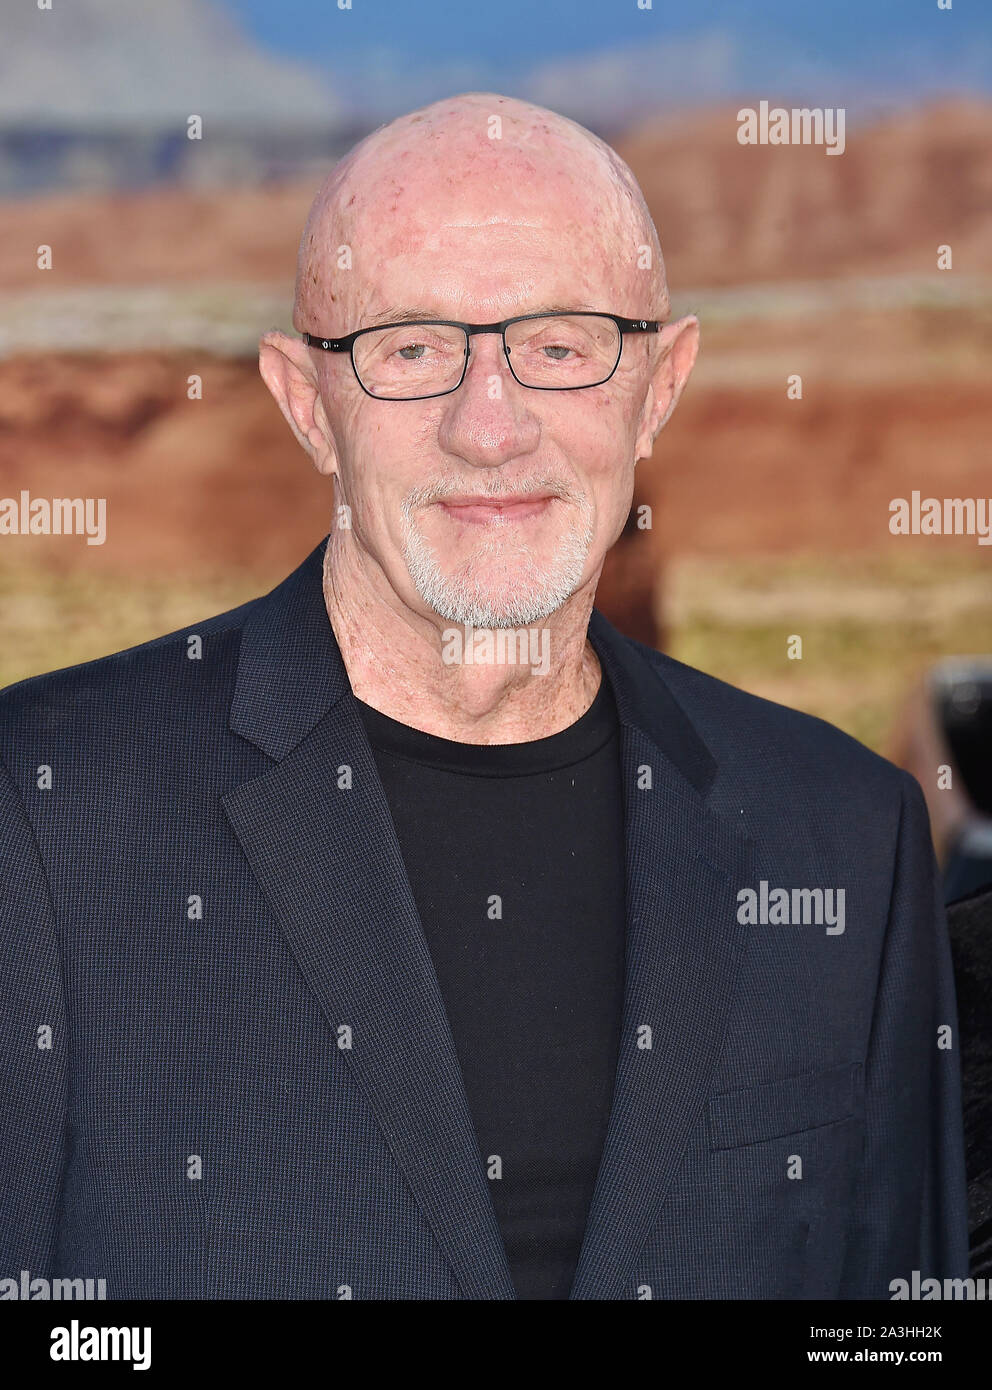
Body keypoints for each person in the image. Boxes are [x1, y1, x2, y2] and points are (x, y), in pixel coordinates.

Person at [0, 92, 968, 1300]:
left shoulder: (842, 835)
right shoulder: (40, 818)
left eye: (559, 345)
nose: (489, 426)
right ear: (307, 405)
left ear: (659, 385)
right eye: (411, 349)